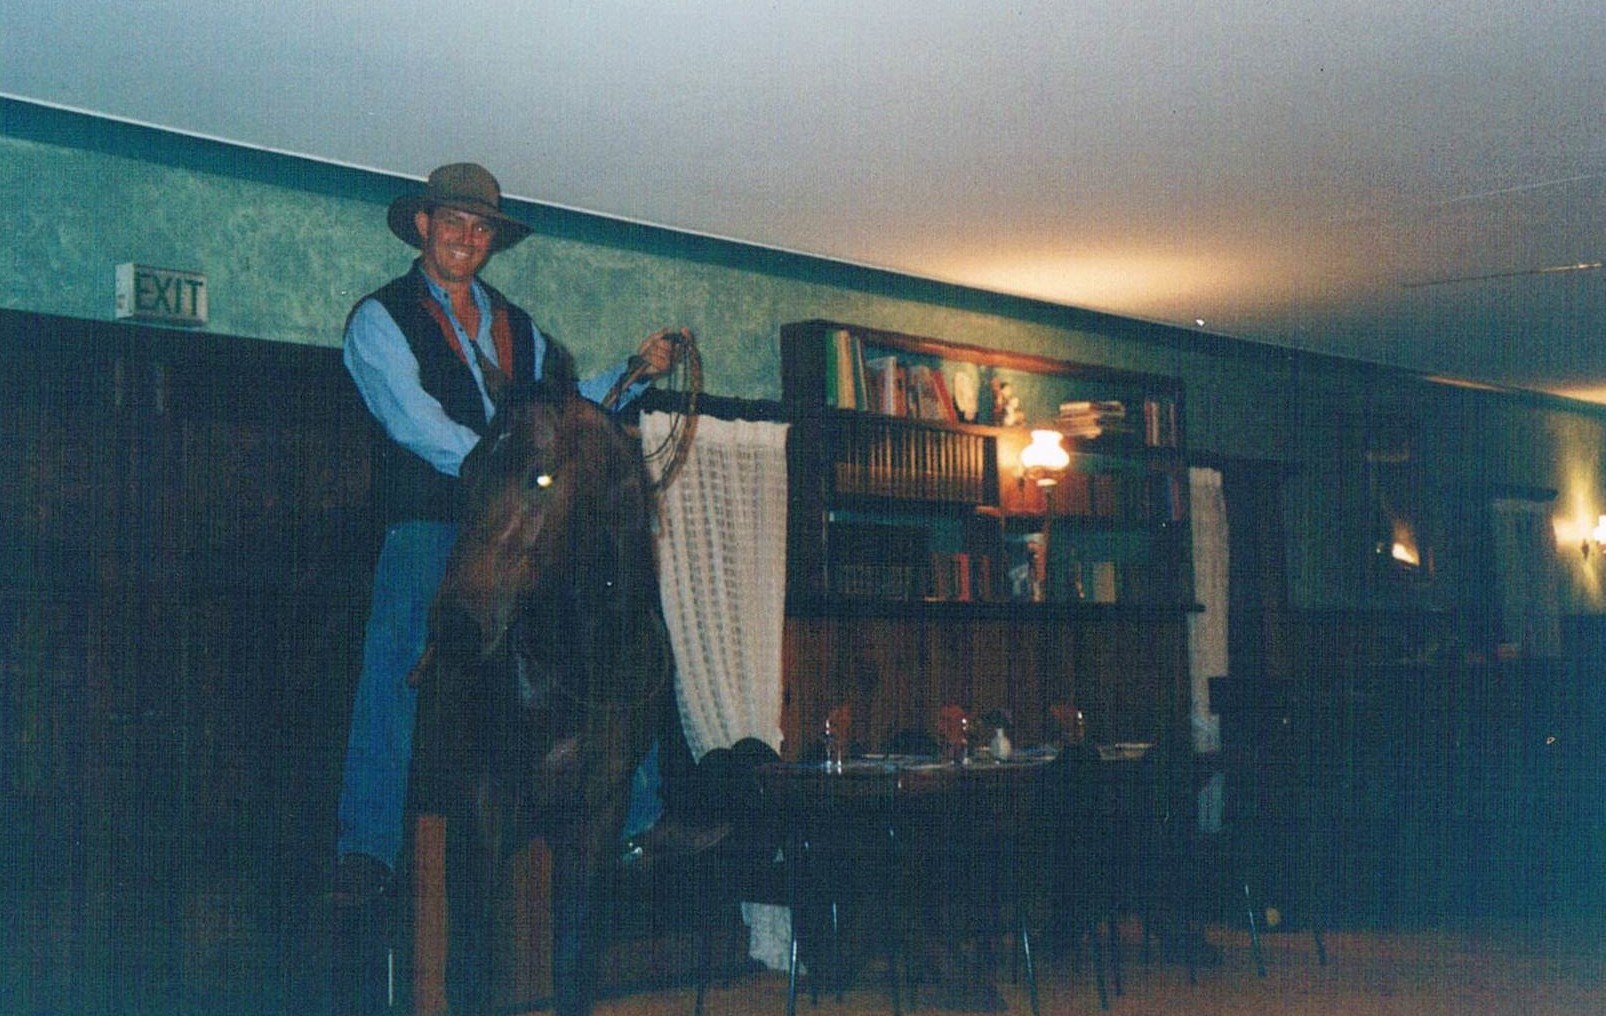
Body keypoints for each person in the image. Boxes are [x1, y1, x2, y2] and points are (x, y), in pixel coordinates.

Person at [333, 163, 682, 898]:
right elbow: (412, 423)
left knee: (619, 608)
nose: (466, 237)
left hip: (520, 513)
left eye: (480, 227)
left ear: (491, 239)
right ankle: (367, 843)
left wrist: (635, 371)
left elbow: (561, 412)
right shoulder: (379, 319)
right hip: (434, 518)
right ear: (423, 226)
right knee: (397, 645)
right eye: (453, 222)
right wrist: (508, 474)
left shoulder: (519, 327)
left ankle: (641, 813)